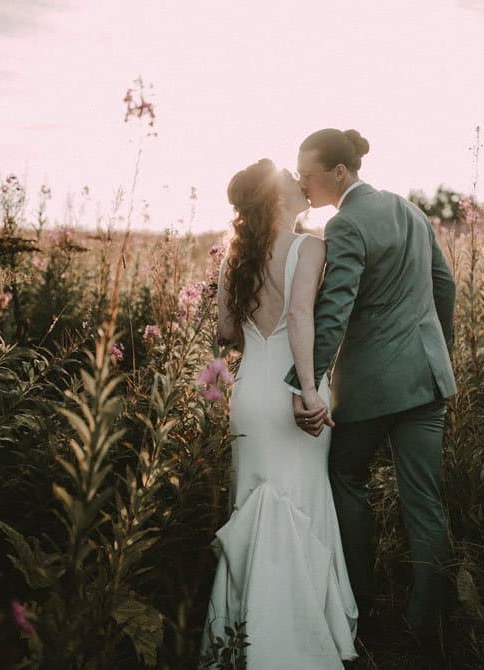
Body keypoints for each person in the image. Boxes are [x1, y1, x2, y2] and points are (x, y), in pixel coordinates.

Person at [284, 129, 457, 647]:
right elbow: (444, 283)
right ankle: (434, 626)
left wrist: (307, 382)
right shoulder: (408, 210)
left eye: (308, 176)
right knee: (424, 501)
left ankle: (360, 601)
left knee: (345, 475)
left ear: (339, 173)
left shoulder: (346, 224)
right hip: (426, 382)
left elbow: (333, 312)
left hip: (372, 389)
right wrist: (437, 351)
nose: (302, 183)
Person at [199, 159, 357, 668]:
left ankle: (239, 633)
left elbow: (225, 332)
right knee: (304, 499)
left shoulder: (236, 257)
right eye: (289, 178)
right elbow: (300, 316)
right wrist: (308, 389)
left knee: (252, 500)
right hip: (296, 386)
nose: (297, 179)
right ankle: (299, 632)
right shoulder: (311, 247)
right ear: (275, 198)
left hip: (250, 395)